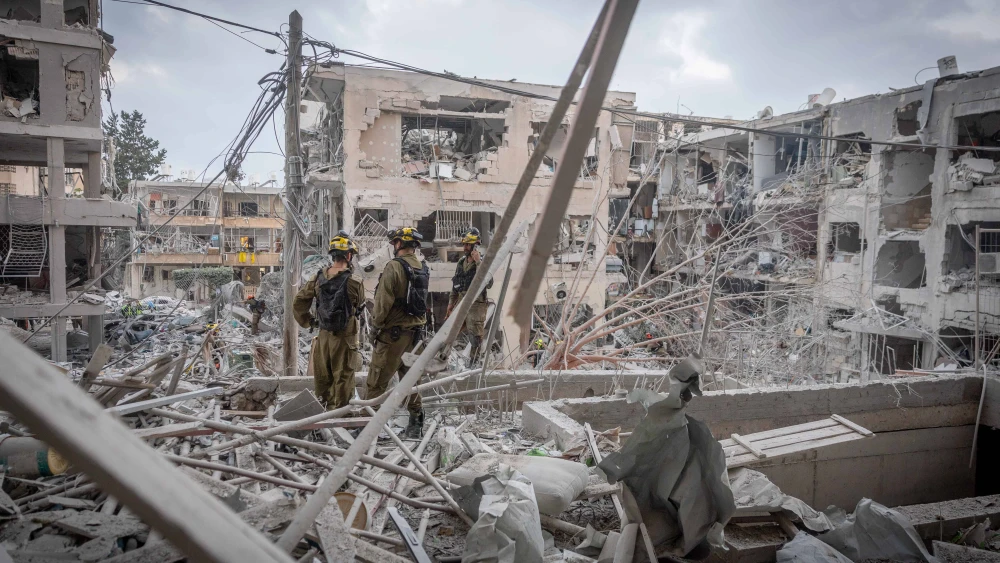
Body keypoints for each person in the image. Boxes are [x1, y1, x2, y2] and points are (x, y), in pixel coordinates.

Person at [292, 231, 364, 411]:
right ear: (348, 256)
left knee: (323, 377)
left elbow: (299, 301)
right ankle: (342, 417)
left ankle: (322, 416)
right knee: (344, 377)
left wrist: (309, 322)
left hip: (323, 335)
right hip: (346, 337)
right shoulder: (355, 282)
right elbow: (359, 305)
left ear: (333, 255)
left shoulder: (317, 278)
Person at [369, 227, 429, 439]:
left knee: (377, 381)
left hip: (393, 336)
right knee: (410, 381)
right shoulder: (423, 267)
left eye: (395, 242)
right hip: (416, 336)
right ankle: (416, 422)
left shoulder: (394, 267)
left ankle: (369, 427)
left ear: (399, 244)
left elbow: (382, 304)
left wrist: (375, 327)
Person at [446, 228, 493, 366]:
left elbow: (488, 283)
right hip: (461, 301)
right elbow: (455, 284)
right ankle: (444, 358)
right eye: (464, 244)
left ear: (475, 245)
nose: (465, 247)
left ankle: (474, 363)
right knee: (449, 332)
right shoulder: (461, 262)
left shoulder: (483, 261)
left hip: (476, 305)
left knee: (475, 337)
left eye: (468, 245)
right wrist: (450, 304)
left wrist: (478, 262)